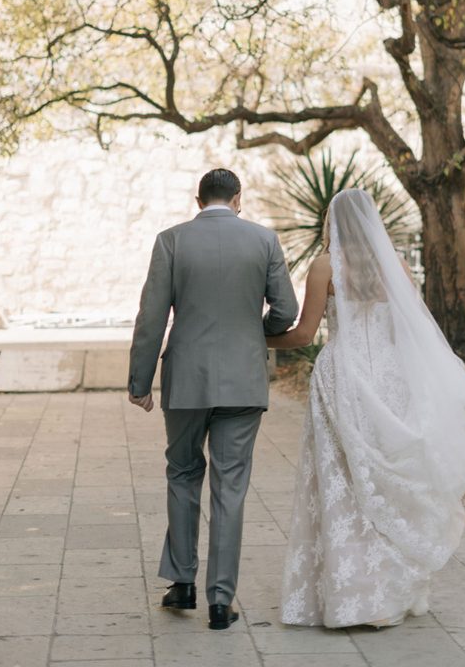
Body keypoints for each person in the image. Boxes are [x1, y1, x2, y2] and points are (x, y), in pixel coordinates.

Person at [267, 188, 465, 629]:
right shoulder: (396, 266)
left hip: (341, 376)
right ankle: (392, 590)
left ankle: (351, 596)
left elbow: (305, 334)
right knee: (384, 483)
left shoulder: (325, 266)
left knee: (341, 482)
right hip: (388, 378)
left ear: (332, 222)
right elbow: (411, 332)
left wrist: (259, 338)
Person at [128, 168, 298, 631]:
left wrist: (139, 381)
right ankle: (220, 601)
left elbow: (151, 316)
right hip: (243, 382)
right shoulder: (264, 240)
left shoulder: (171, 240)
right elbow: (286, 311)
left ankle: (182, 583)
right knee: (231, 488)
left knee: (182, 474)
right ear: (238, 198)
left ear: (198, 199)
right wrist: (250, 334)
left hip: (185, 381)